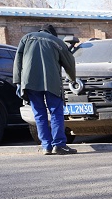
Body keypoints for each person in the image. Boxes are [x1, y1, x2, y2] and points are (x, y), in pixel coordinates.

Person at [13, 24, 77, 155]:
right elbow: (70, 62)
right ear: (53, 33)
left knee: (39, 113)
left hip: (30, 82)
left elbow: (17, 61)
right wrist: (72, 79)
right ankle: (59, 145)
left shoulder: (26, 38)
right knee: (56, 112)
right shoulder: (57, 41)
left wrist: (18, 82)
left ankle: (46, 146)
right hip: (51, 82)